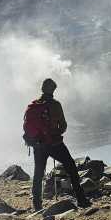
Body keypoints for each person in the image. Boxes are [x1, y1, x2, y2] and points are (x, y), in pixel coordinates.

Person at [26, 78, 90, 211]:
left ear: (42, 89)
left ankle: (37, 204)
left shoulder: (34, 105)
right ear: (53, 90)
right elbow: (63, 126)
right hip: (54, 144)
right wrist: (55, 133)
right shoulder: (55, 105)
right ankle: (81, 199)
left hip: (38, 145)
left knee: (38, 173)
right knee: (71, 167)